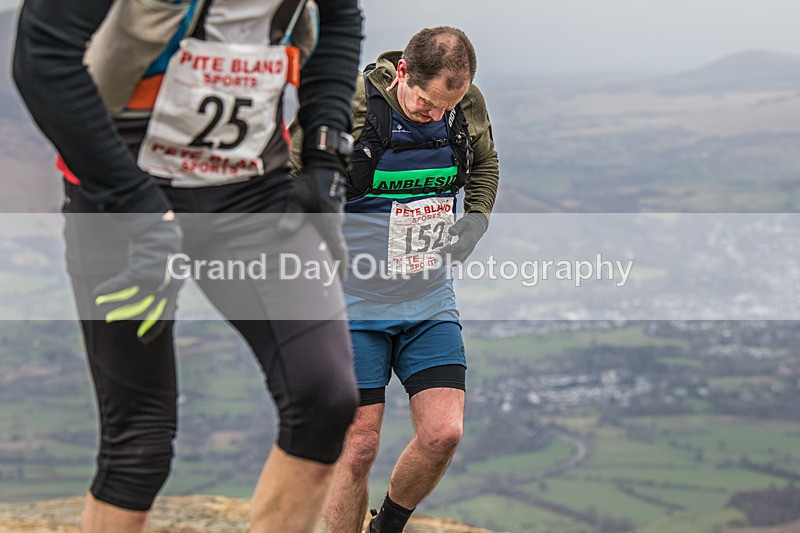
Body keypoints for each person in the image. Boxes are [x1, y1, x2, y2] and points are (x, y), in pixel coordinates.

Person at [14, 1, 362, 532]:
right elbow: (41, 59)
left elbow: (340, 14)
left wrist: (322, 156)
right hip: (121, 192)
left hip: (254, 192)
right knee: (139, 441)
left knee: (325, 398)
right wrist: (139, 211)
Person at [292, 26, 499, 533]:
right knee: (358, 443)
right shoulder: (350, 106)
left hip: (427, 294)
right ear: (403, 71)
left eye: (446, 108)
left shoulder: (463, 105)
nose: (437, 116)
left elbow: (485, 165)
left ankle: (385, 527)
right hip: (351, 299)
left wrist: (474, 220)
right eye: (427, 104)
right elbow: (292, 175)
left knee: (444, 433)